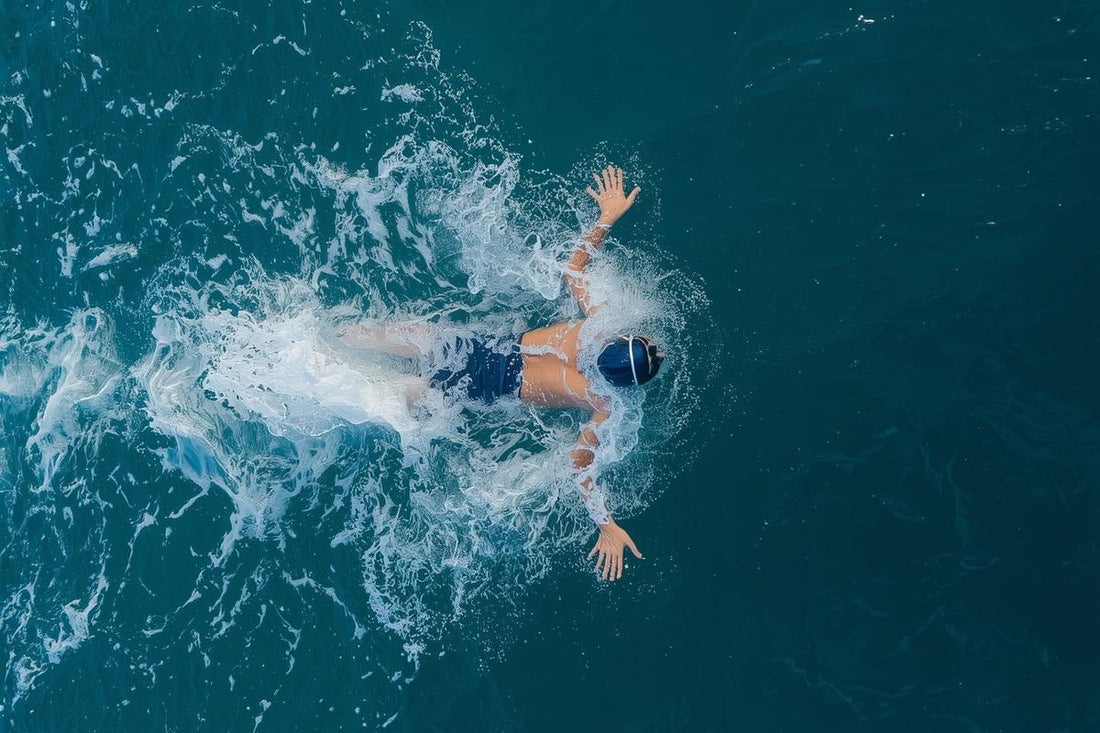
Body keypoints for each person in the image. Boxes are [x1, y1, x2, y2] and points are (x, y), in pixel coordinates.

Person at [340, 167, 664, 581]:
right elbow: (579, 464)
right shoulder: (603, 402)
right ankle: (320, 383)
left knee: (374, 338)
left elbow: (574, 270)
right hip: (482, 388)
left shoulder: (594, 325)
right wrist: (605, 524)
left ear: (616, 340)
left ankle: (315, 338)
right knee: (393, 393)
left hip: (476, 345)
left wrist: (607, 216)